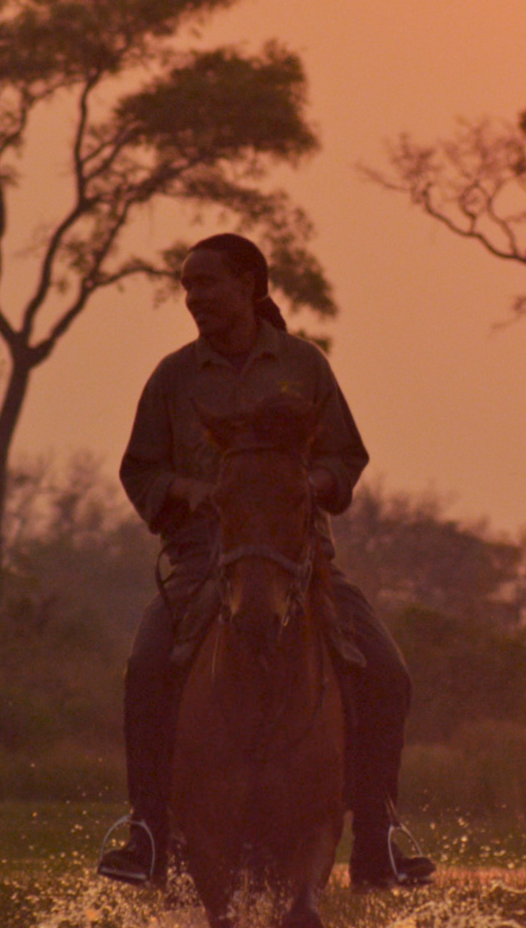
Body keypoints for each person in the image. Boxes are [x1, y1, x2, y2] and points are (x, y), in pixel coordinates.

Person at [97, 232, 433, 890]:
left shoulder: (304, 365)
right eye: (188, 286)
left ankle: (379, 834)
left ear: (250, 285)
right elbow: (140, 469)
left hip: (303, 564)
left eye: (208, 283)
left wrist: (314, 486)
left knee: (388, 673)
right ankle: (146, 833)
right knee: (144, 668)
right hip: (204, 564)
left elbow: (346, 457)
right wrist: (191, 493)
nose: (194, 298)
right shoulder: (174, 377)